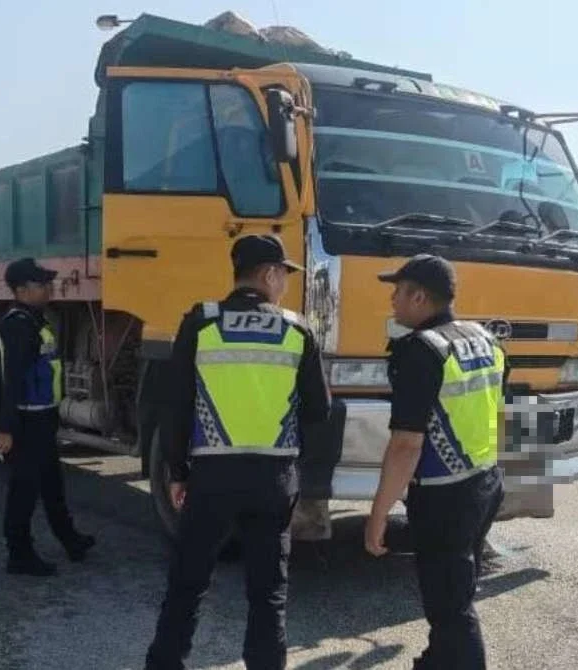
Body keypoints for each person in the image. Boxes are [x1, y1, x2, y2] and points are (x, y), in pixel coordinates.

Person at [145, 234, 331, 670]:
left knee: (187, 584)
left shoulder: (201, 322)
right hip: (273, 479)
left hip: (212, 478)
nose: (285, 284)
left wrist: (177, 471)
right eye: (284, 275)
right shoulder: (297, 329)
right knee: (268, 593)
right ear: (268, 274)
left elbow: (174, 405)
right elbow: (319, 411)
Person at [363, 254, 507, 669]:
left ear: (419, 297)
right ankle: (438, 659)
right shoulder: (484, 338)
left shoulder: (421, 351)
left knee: (451, 607)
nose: (392, 299)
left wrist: (378, 515)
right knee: (455, 588)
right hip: (484, 482)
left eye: (398, 291)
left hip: (445, 497)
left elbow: (406, 446)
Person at [0, 257, 95, 577]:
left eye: (48, 283)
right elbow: (13, 380)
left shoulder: (35, 320)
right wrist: (5, 428)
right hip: (26, 421)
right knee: (24, 489)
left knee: (52, 484)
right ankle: (19, 554)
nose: (49, 288)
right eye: (41, 284)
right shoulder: (18, 325)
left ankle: (70, 539)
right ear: (21, 290)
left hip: (43, 417)